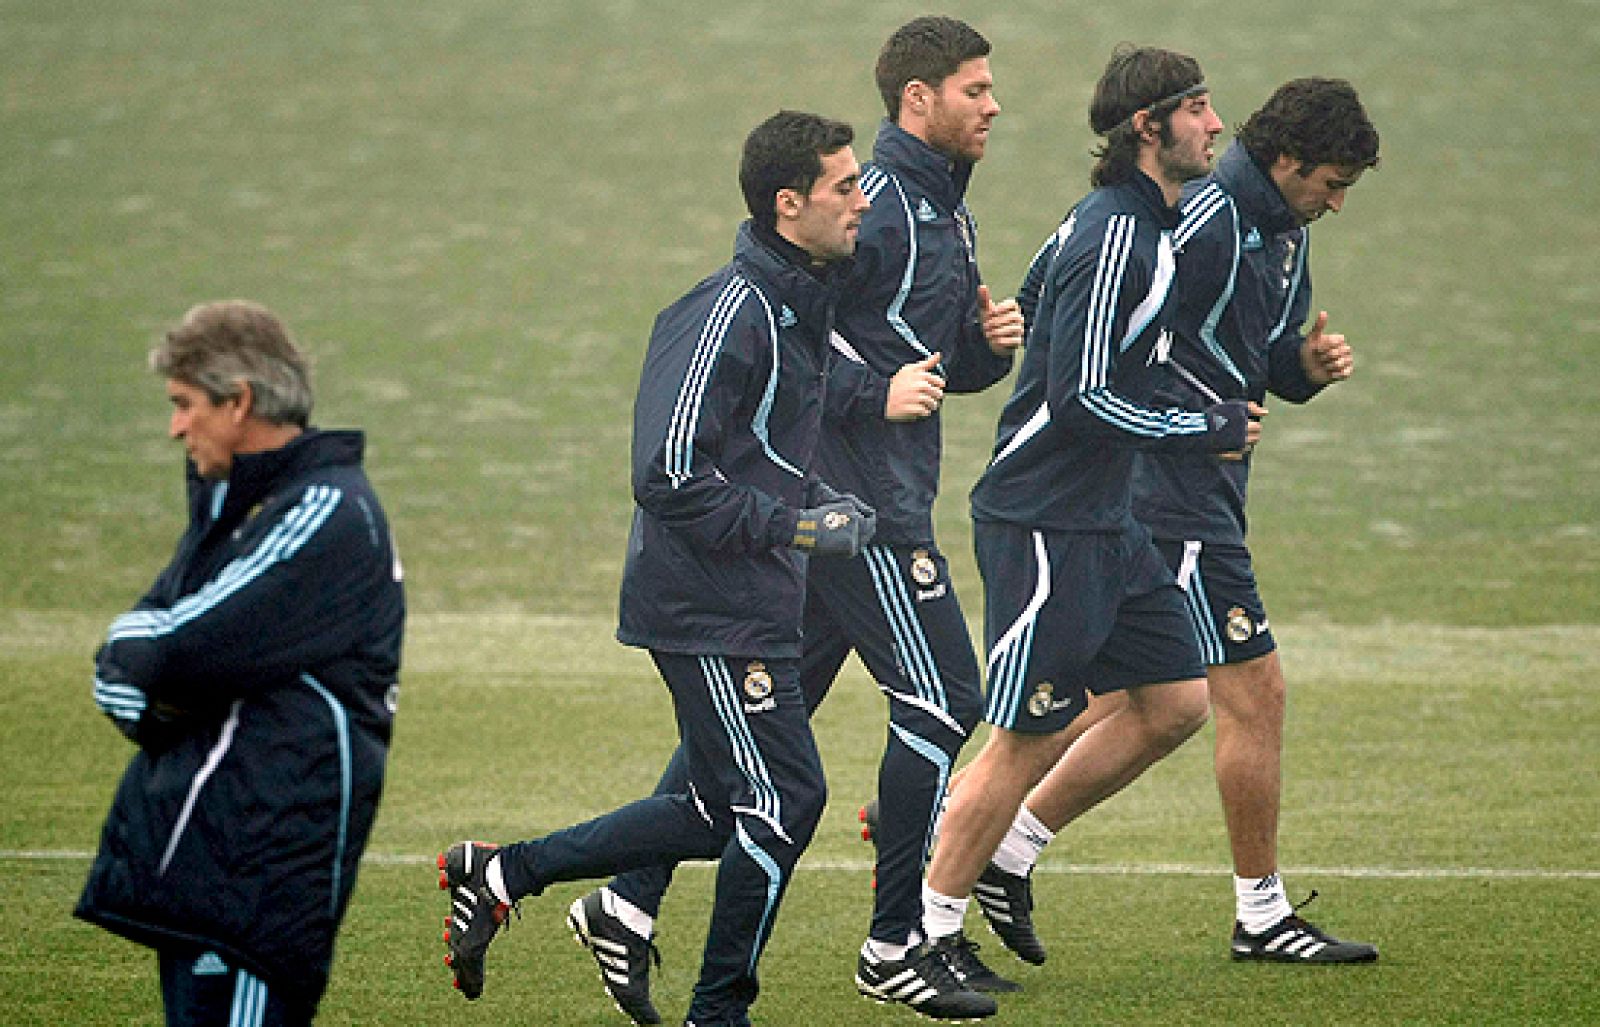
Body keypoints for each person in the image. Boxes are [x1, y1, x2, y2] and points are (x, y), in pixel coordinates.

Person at [567, 17, 1022, 1023]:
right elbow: (803, 331)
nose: (994, 106)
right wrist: (872, 399)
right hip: (851, 509)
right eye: (976, 89)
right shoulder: (887, 203)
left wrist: (985, 351)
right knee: (946, 697)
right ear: (919, 98)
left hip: (859, 503)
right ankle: (896, 942)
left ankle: (626, 905)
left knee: (774, 719)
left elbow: (924, 361)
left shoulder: (944, 209)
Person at [436, 110, 875, 1027]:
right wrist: (798, 528)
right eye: (843, 185)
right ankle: (719, 1015)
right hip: (706, 603)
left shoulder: (799, 305)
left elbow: (761, 450)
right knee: (785, 796)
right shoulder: (727, 311)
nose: (859, 199)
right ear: (788, 204)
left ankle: (504, 870)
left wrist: (826, 512)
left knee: (720, 812)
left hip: (751, 598)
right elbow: (665, 473)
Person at [972, 77, 1382, 967]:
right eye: (1332, 182)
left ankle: (992, 838)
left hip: (1201, 490)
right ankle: (1260, 912)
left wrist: (1304, 367)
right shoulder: (1198, 219)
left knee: (1136, 699)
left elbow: (1253, 354)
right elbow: (1094, 331)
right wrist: (1191, 423)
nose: (1338, 203)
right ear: (1287, 162)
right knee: (1250, 693)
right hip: (1172, 492)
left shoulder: (1279, 229)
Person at [916, 44, 1261, 982]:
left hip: (1110, 522)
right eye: (1197, 109)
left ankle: (1009, 855)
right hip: (1047, 520)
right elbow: (1079, 397)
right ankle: (924, 934)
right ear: (1148, 128)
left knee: (1175, 698)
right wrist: (1206, 424)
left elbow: (1039, 312)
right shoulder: (1121, 234)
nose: (1216, 125)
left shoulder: (1132, 226)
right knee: (1024, 733)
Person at [75, 300, 407, 1026]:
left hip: (255, 880)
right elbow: (128, 658)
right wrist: (157, 683)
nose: (175, 426)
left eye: (185, 404)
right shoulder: (243, 510)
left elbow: (163, 649)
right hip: (211, 867)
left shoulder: (327, 512)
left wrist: (158, 682)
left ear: (240, 402)